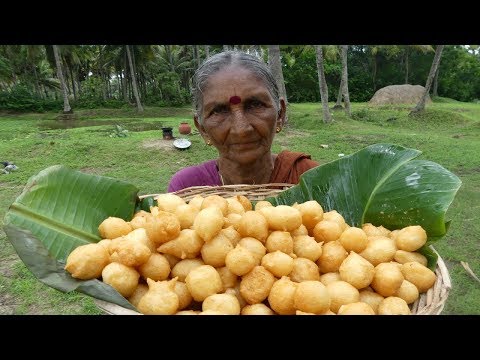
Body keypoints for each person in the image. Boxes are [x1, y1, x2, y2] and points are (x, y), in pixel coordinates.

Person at [167, 50, 318, 192]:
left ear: (280, 115)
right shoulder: (187, 187)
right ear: (202, 129)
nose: (241, 130)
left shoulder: (309, 178)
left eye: (255, 105)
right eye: (219, 111)